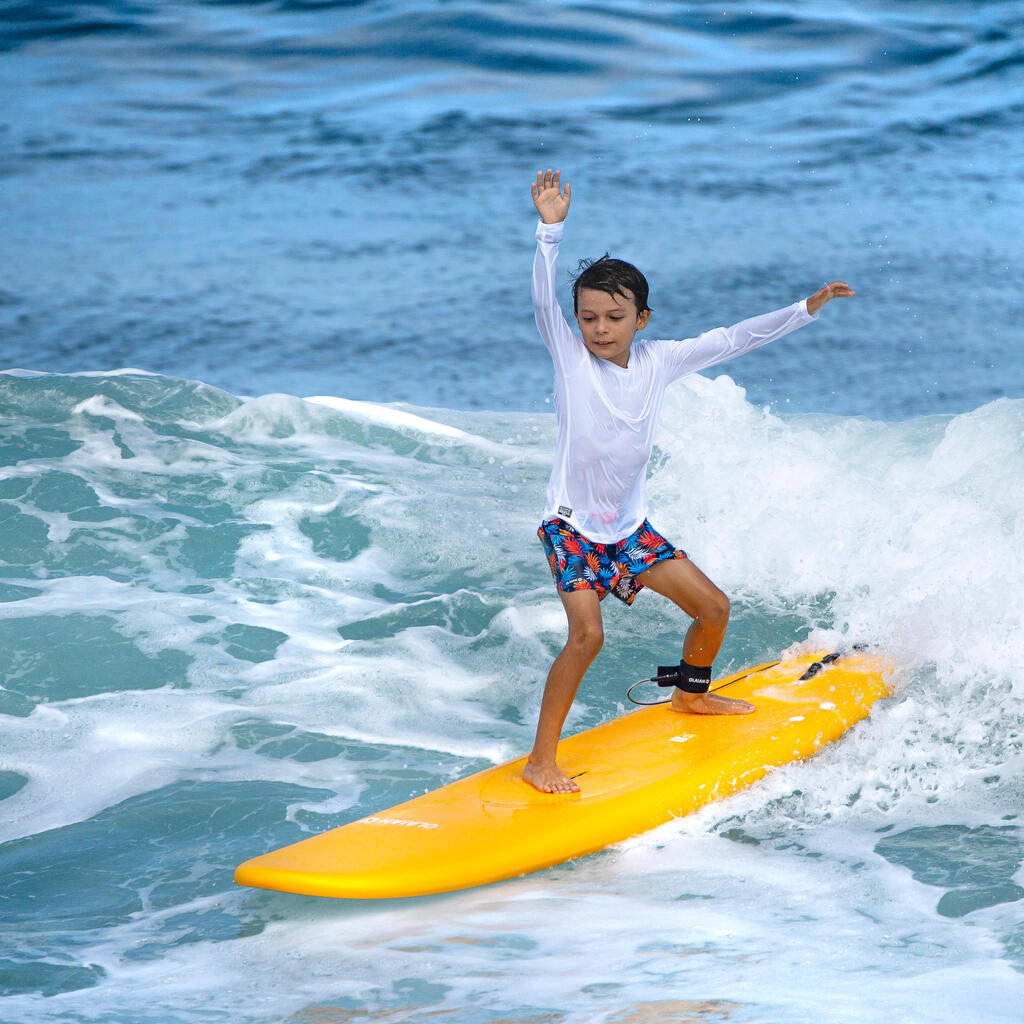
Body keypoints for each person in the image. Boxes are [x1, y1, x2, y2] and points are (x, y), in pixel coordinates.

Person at [524, 168, 855, 795]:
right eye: (588, 317)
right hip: (570, 529)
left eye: (613, 317)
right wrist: (550, 229)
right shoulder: (570, 358)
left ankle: (690, 697)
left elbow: (733, 339)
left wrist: (805, 309)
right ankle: (542, 758)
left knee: (712, 607)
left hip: (627, 532)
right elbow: (543, 299)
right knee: (587, 635)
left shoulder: (660, 361)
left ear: (641, 319)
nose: (598, 328)